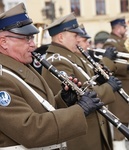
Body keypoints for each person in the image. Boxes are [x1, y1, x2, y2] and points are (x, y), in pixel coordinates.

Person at [0, 3, 104, 150]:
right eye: (27, 38)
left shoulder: (22, 67)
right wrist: (80, 111)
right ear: (4, 42)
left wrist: (63, 100)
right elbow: (29, 130)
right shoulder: (3, 77)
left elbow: (40, 108)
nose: (33, 45)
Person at [42, 13, 122, 150]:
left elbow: (88, 83)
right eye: (75, 36)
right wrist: (108, 88)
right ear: (61, 37)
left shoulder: (71, 57)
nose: (79, 39)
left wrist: (102, 79)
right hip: (81, 136)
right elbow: (81, 94)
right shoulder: (57, 61)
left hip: (93, 126)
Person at [102, 17, 129, 150]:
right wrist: (127, 67)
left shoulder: (123, 40)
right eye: (124, 27)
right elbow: (109, 63)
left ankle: (122, 139)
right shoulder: (110, 42)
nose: (126, 30)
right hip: (120, 85)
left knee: (126, 116)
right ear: (118, 27)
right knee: (119, 116)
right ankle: (118, 143)